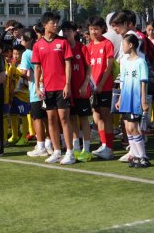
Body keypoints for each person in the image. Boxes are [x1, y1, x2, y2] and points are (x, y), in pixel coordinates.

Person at [32, 12, 76, 165]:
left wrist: (67, 84)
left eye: (57, 22)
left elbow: (68, 64)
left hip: (62, 87)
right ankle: (57, 151)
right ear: (45, 25)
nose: (56, 25)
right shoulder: (38, 45)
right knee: (51, 119)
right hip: (48, 88)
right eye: (53, 22)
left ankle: (70, 152)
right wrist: (37, 87)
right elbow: (37, 68)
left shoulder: (63, 42)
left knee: (64, 119)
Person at [116, 33, 151, 168]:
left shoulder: (140, 61)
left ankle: (143, 156)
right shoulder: (124, 61)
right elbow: (123, 82)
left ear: (130, 45)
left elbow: (143, 82)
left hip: (135, 99)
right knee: (128, 128)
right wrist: (120, 99)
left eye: (124, 45)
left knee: (134, 128)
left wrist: (143, 100)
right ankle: (135, 156)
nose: (122, 47)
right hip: (126, 98)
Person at [61, 21, 93, 162]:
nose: (66, 33)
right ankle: (76, 148)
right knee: (72, 118)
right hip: (69, 91)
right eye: (64, 31)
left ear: (75, 32)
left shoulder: (82, 47)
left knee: (84, 118)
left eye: (69, 31)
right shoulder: (62, 48)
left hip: (81, 90)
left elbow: (89, 68)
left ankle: (86, 149)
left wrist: (85, 84)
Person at [85, 16, 116, 160]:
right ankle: (104, 145)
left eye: (96, 29)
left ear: (102, 28)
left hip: (105, 86)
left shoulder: (107, 44)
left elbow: (109, 67)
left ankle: (109, 147)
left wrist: (101, 84)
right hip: (93, 87)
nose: (93, 32)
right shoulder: (89, 46)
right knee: (96, 115)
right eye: (91, 29)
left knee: (105, 114)